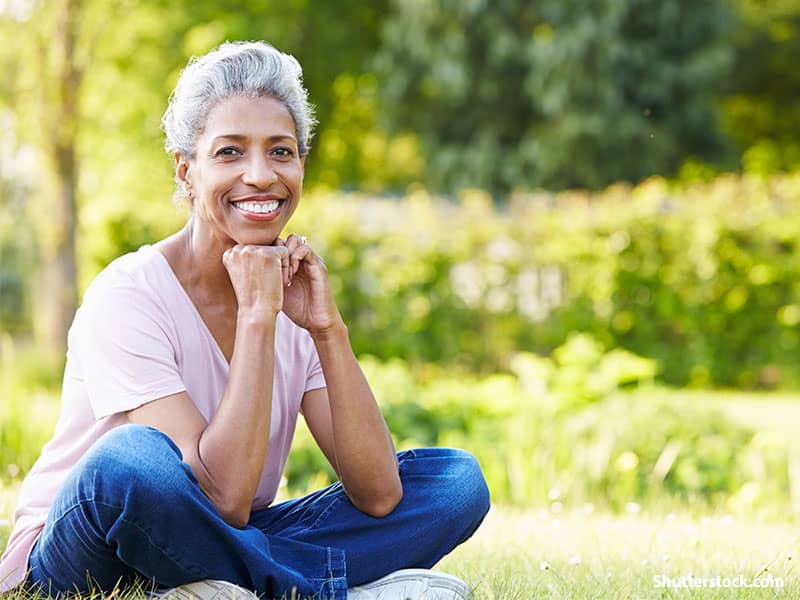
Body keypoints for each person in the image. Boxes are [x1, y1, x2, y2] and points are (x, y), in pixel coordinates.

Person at [0, 41, 490, 599]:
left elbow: (379, 494)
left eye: (281, 152)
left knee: (454, 483)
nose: (260, 175)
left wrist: (327, 331)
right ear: (186, 171)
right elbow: (222, 497)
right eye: (230, 152)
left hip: (219, 539)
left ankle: (214, 587)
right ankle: (321, 590)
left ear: (300, 165)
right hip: (86, 547)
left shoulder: (294, 292)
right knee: (128, 461)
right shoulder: (129, 293)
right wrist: (259, 318)